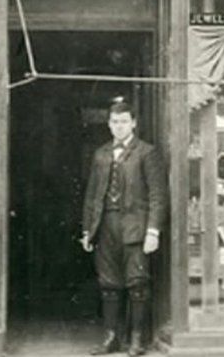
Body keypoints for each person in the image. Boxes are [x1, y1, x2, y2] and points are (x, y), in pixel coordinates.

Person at [81, 97, 168, 356]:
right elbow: (92, 195)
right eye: (115, 122)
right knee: (109, 284)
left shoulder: (147, 153)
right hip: (106, 224)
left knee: (137, 283)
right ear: (109, 125)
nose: (119, 127)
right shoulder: (101, 154)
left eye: (124, 122)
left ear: (133, 124)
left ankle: (137, 340)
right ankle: (111, 339)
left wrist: (153, 230)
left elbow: (158, 195)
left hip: (136, 227)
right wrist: (88, 229)